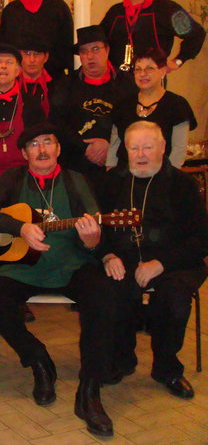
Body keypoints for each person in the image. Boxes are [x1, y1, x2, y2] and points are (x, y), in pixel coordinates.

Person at [0, 122, 120, 437]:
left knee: (103, 296)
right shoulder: (13, 179)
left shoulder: (76, 181)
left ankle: (89, 391)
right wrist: (20, 228)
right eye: (34, 144)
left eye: (48, 142)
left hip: (71, 263)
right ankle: (38, 360)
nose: (42, 149)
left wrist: (93, 242)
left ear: (58, 149)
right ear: (25, 153)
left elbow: (94, 232)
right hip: (24, 266)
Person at [99, 121, 208, 400]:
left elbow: (200, 240)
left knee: (173, 298)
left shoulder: (183, 184)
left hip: (175, 263)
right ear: (125, 150)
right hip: (124, 258)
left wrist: (160, 263)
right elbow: (98, 230)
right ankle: (122, 360)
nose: (141, 154)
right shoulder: (112, 182)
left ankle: (167, 368)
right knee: (114, 290)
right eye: (134, 148)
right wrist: (108, 255)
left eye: (148, 147)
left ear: (163, 148)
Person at [49, 26, 134, 186]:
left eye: (95, 49)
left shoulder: (127, 84)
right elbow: (56, 124)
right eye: (84, 51)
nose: (90, 56)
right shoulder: (66, 84)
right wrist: (84, 148)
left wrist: (110, 147)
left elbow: (134, 124)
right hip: (76, 169)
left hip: (119, 168)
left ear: (107, 50)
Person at [100, 0, 205, 73]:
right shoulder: (116, 12)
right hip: (117, 79)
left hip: (151, 79)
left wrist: (178, 61)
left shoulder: (166, 8)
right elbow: (100, 40)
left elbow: (196, 33)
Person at [0, 44, 45, 197]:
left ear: (18, 71)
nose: (4, 66)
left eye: (9, 62)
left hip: (22, 178)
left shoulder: (31, 104)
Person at [107, 47, 196, 169]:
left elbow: (178, 149)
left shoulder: (177, 105)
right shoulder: (123, 105)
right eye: (138, 69)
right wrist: (110, 170)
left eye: (149, 68)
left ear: (163, 71)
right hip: (124, 177)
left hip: (161, 178)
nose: (142, 74)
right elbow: (114, 145)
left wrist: (168, 179)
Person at [0, 0, 74, 79]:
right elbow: (4, 50)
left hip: (54, 81)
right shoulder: (10, 11)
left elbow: (67, 49)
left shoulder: (58, 8)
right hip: (18, 81)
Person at [17, 37, 53, 116]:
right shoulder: (9, 83)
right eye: (27, 53)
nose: (32, 59)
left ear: (46, 57)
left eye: (37, 53)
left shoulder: (56, 84)